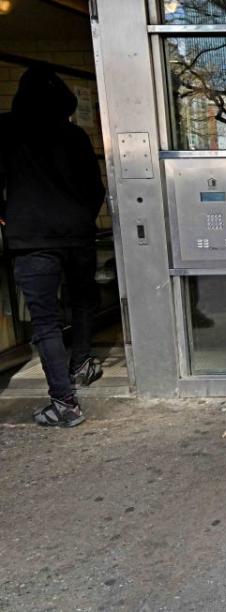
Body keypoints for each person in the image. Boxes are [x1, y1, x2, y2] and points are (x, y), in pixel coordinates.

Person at [0, 65, 106, 427]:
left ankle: (64, 401)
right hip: (77, 233)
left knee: (45, 321)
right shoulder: (75, 136)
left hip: (32, 237)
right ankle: (82, 363)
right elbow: (96, 189)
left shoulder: (7, 131)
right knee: (81, 302)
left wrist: (5, 216)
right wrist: (82, 217)